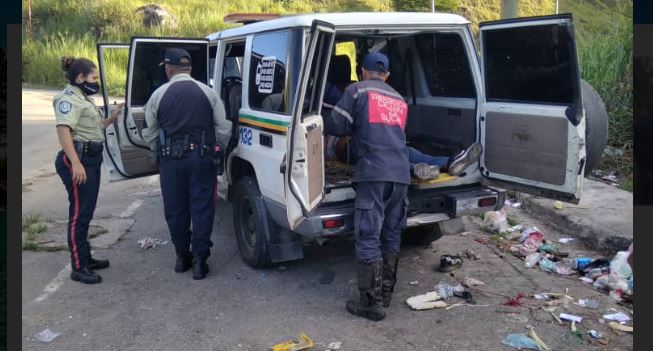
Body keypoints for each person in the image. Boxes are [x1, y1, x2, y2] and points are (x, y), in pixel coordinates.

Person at [322, 52, 410, 321]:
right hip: (401, 174)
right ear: (388, 75)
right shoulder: (399, 98)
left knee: (368, 235)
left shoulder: (357, 90)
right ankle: (385, 295)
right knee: (391, 235)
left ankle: (370, 304)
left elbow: (336, 124)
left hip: (373, 173)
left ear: (362, 71)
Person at [142, 48, 232, 280]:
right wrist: (217, 149)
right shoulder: (208, 93)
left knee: (175, 209)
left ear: (169, 69)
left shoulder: (158, 95)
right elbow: (223, 127)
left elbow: (149, 132)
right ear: (189, 68)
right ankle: (200, 261)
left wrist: (156, 155)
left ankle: (182, 258)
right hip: (201, 158)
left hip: (171, 161)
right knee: (202, 208)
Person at [54, 56, 124, 284]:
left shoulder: (83, 98)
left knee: (86, 211)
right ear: (80, 77)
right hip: (79, 159)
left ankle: (86, 258)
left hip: (90, 158)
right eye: (94, 78)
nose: (96, 82)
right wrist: (75, 163)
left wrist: (111, 119)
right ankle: (79, 266)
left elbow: (93, 128)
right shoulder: (68, 99)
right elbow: (64, 130)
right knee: (79, 214)